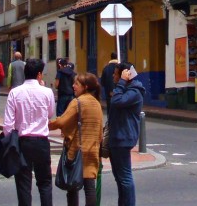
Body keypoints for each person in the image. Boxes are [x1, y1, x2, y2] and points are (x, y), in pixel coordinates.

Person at [3, 58, 55, 206]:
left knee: (23, 184)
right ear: (39, 74)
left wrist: (10, 141)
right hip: (41, 141)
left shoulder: (14, 93)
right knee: (44, 182)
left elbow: (8, 124)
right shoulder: (47, 92)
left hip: (22, 141)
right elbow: (50, 113)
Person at [48, 73, 103, 206]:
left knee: (72, 186)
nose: (73, 86)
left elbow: (62, 121)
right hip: (92, 150)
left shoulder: (77, 102)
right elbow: (100, 132)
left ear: (85, 87)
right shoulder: (97, 103)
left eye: (76, 84)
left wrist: (47, 125)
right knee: (90, 188)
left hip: (77, 150)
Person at [108, 62, 145, 206]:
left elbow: (116, 101)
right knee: (119, 178)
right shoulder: (125, 90)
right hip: (117, 136)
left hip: (123, 137)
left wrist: (122, 82)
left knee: (124, 177)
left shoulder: (134, 92)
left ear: (125, 74)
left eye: (116, 73)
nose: (113, 76)